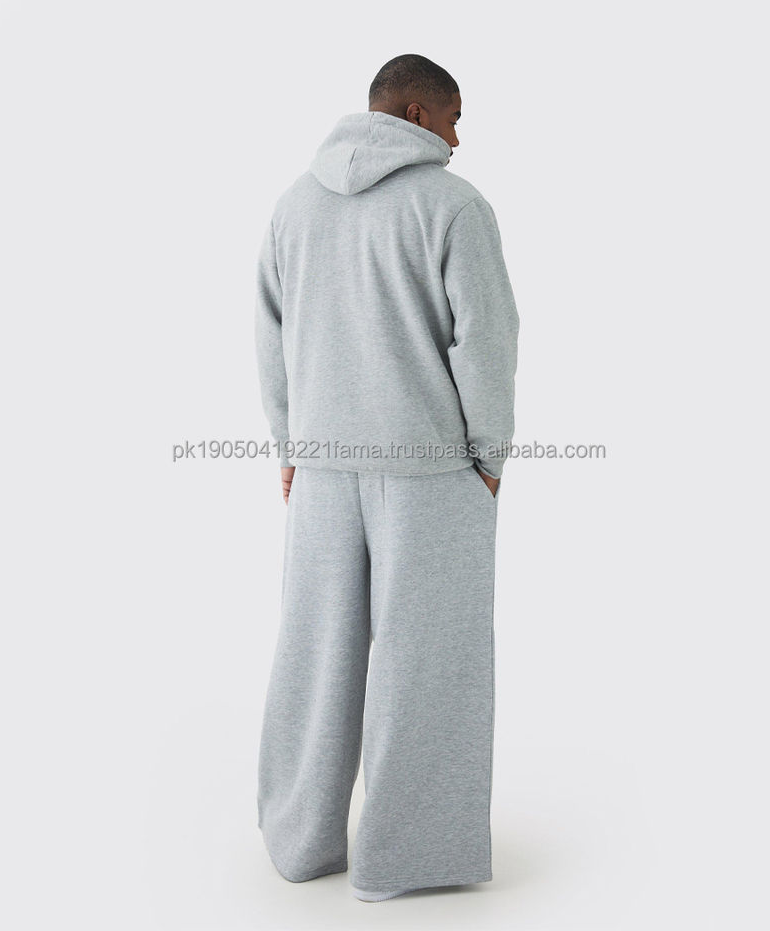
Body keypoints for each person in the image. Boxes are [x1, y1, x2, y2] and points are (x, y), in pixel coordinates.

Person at [254, 53, 519, 903]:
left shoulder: (293, 205)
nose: (457, 137)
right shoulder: (454, 206)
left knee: (315, 657)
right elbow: (485, 343)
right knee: (429, 667)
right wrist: (489, 458)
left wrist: (290, 447)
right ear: (414, 112)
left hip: (322, 471)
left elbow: (271, 337)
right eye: (453, 118)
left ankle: (301, 843)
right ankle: (408, 862)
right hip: (429, 472)